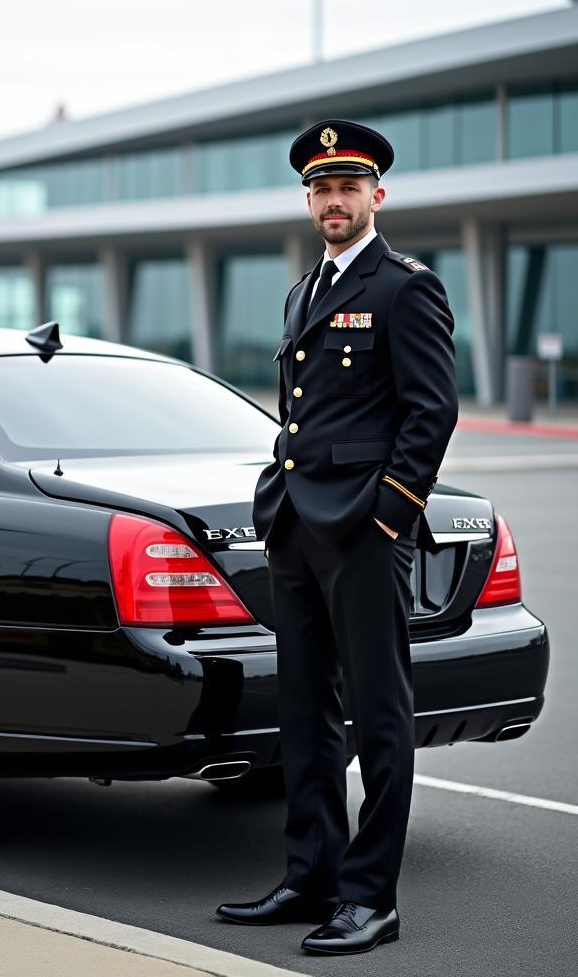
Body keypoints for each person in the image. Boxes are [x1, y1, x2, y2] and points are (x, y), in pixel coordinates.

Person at [215, 119, 458, 955]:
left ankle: (371, 898)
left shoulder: (405, 287)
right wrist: (276, 499)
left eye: (349, 186)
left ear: (377, 196)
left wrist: (388, 515)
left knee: (379, 715)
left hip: (362, 530)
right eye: (321, 188)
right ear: (308, 199)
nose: (334, 200)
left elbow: (432, 413)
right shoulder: (301, 292)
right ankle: (308, 874)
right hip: (296, 527)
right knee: (304, 712)